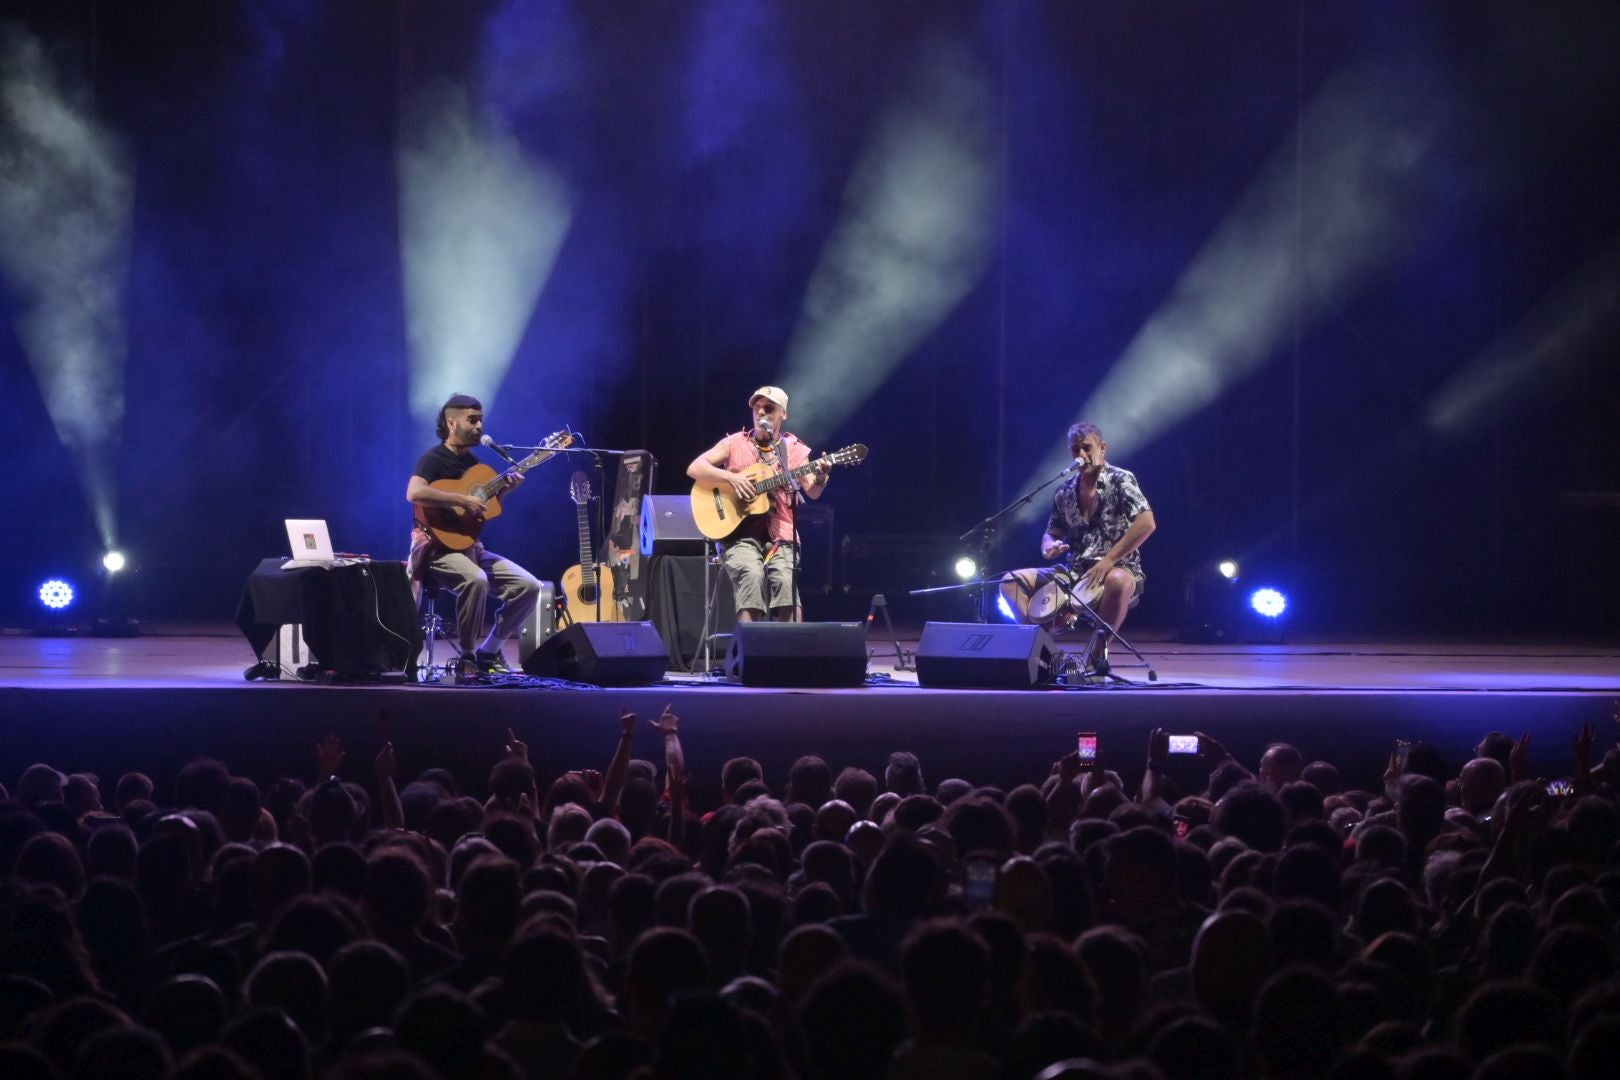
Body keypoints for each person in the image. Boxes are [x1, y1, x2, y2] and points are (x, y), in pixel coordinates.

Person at [407, 393, 543, 677]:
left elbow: (485, 511)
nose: (479, 426)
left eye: (481, 420)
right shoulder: (433, 459)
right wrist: (461, 499)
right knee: (476, 579)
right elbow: (414, 493)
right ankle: (467, 656)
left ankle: (489, 651)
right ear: (452, 423)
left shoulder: (475, 465)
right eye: (472, 420)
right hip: (436, 551)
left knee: (530, 586)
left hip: (469, 548)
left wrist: (505, 491)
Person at [1000, 422, 1155, 645]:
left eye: (1087, 448)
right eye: (1075, 449)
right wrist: (1049, 545)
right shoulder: (1064, 491)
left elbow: (1146, 523)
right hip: (1074, 571)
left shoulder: (1121, 479)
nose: (1081, 454)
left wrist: (1108, 561)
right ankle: (1039, 648)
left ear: (1102, 448)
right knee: (1010, 582)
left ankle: (1097, 654)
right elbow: (1051, 533)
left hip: (1118, 567)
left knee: (1118, 580)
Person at [686, 386, 829, 622]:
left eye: (769, 408)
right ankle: (751, 646)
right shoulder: (734, 442)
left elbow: (812, 491)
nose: (761, 412)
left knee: (786, 583)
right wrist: (731, 478)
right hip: (738, 535)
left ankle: (791, 646)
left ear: (783, 414)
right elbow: (695, 468)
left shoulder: (793, 449)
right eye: (757, 408)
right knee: (751, 576)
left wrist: (821, 477)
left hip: (781, 533)